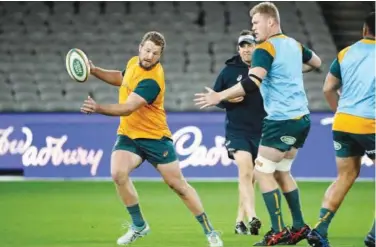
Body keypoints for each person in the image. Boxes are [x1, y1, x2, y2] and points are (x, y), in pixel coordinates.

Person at [194, 2, 322, 246]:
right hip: (302, 118)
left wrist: (218, 96)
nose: (253, 28)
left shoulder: (265, 48)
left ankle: (277, 231)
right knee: (282, 172)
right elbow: (316, 63)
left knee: (262, 172)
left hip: (281, 120)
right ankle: (298, 227)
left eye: (256, 23)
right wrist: (286, 72)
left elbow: (253, 82)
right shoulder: (294, 44)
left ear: (270, 22)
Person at [80, 31, 223, 247]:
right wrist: (94, 70)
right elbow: (122, 78)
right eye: (147, 50)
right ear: (140, 48)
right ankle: (139, 225)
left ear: (160, 56)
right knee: (118, 173)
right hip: (129, 135)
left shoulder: (152, 80)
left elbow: (128, 108)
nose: (149, 56)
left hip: (155, 138)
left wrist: (98, 108)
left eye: (155, 53)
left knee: (179, 186)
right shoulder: (133, 63)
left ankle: (210, 231)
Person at [307, 12, 375, 247]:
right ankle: (375, 235)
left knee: (345, 176)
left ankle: (320, 230)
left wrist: (340, 113)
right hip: (371, 124)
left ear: (364, 30)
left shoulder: (346, 53)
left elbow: (328, 88)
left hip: (343, 122)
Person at [212, 30, 265, 235]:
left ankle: (239, 222)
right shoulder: (229, 71)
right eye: (243, 46)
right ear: (238, 49)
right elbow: (216, 97)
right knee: (245, 171)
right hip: (237, 131)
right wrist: (226, 99)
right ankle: (253, 217)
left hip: (261, 130)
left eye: (249, 45)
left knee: (252, 177)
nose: (246, 49)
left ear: (256, 47)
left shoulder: (265, 69)